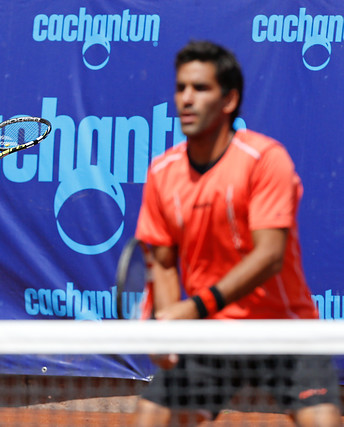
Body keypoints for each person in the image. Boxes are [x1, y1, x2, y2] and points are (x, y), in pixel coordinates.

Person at [134, 40, 342, 426]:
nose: (186, 99)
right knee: (151, 418)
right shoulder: (162, 173)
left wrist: (193, 309)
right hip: (208, 333)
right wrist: (166, 326)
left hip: (281, 327)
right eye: (181, 88)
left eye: (201, 88)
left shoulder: (265, 160)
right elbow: (162, 262)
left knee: (323, 421)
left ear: (229, 101)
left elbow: (269, 255)